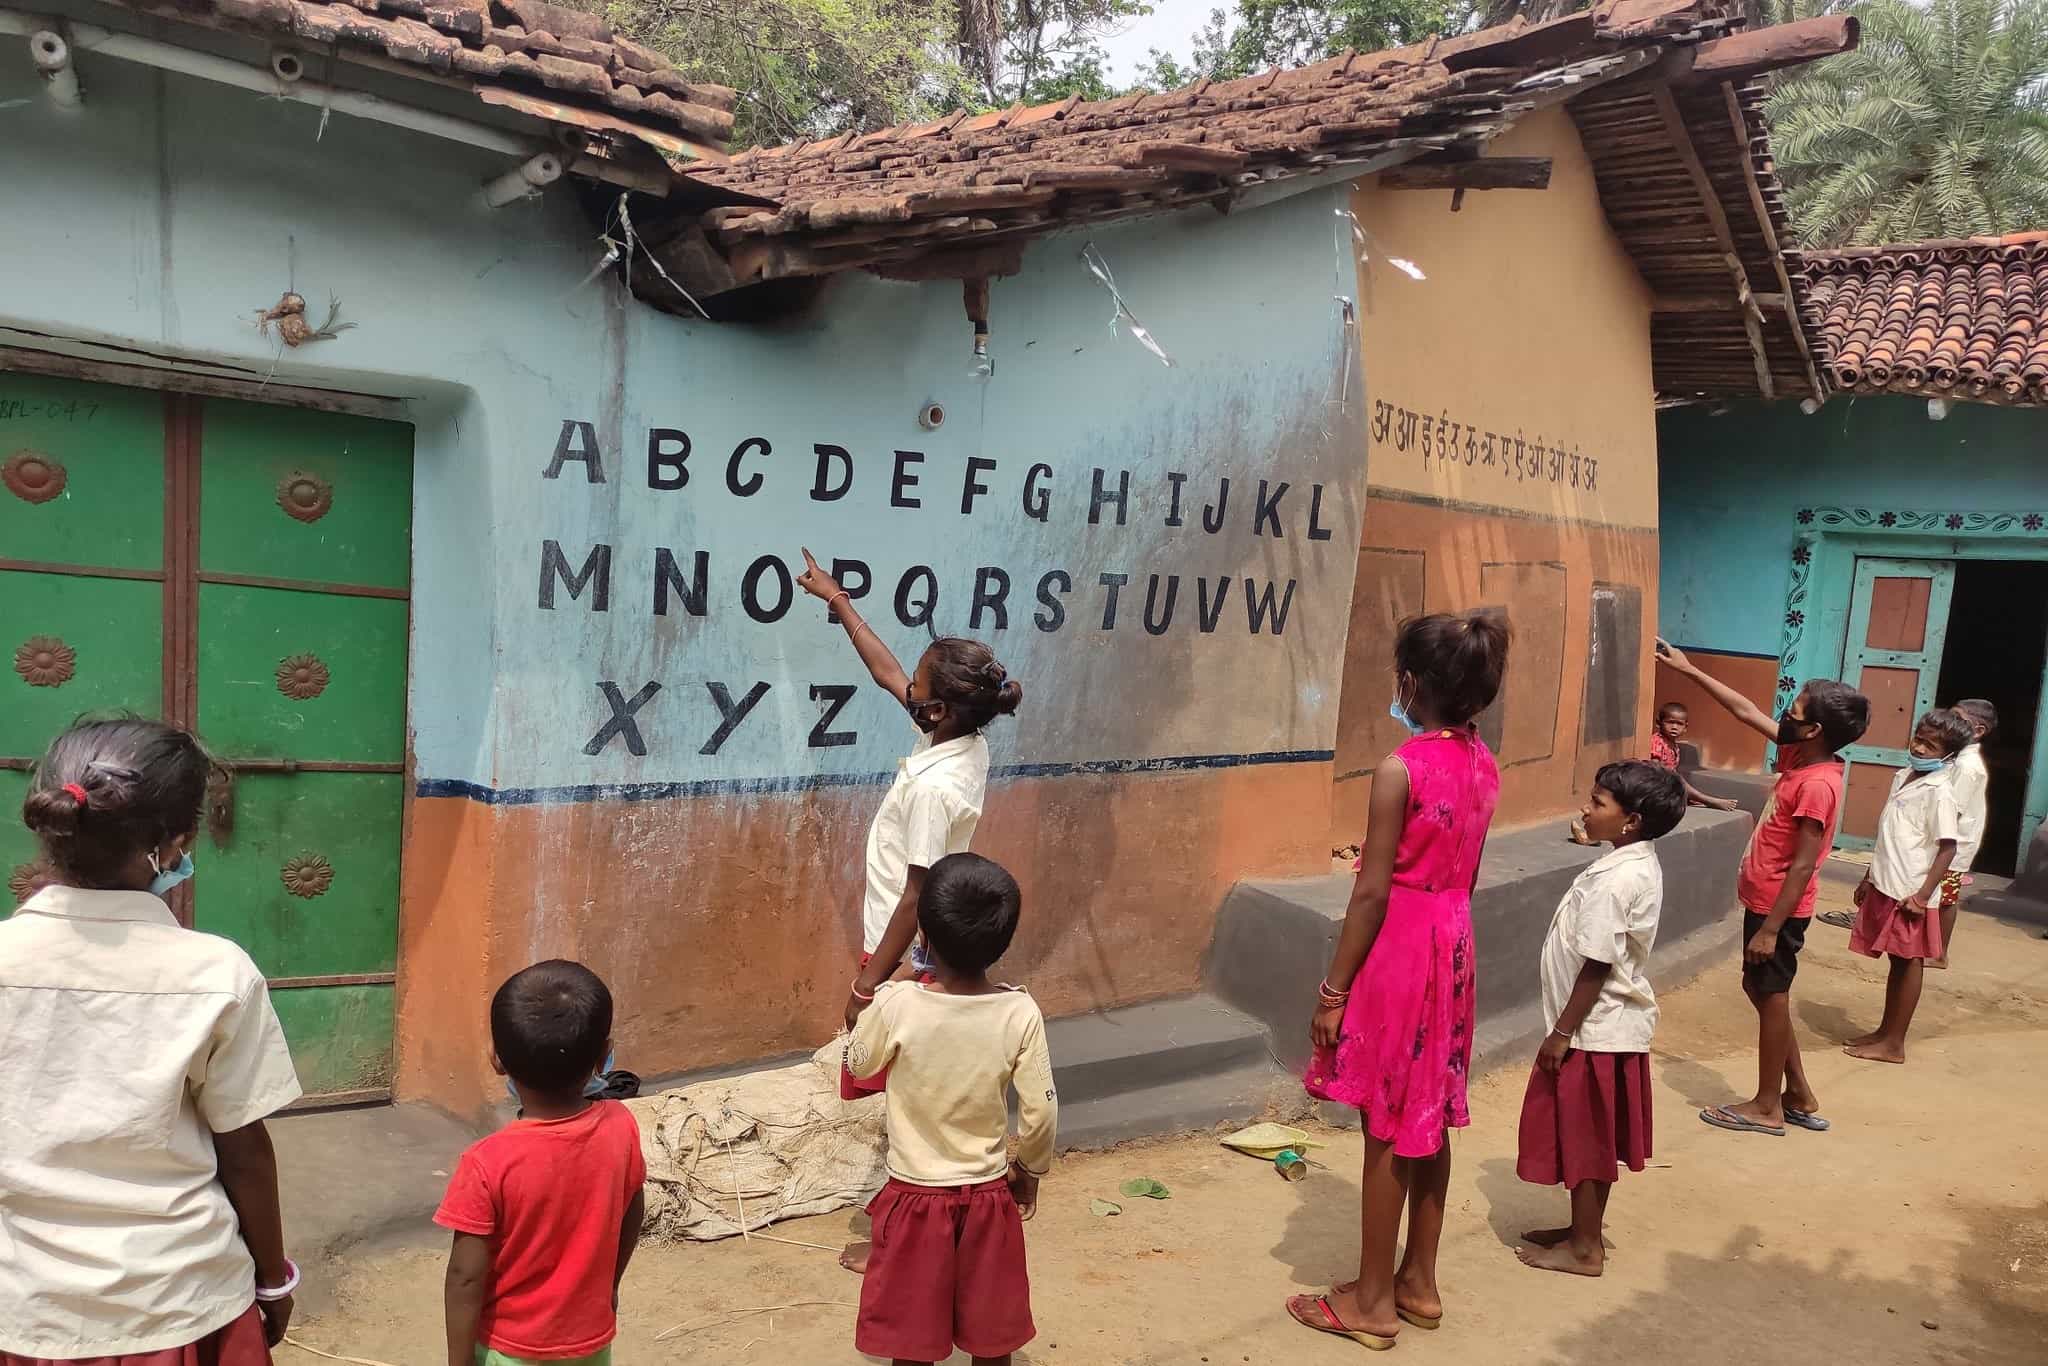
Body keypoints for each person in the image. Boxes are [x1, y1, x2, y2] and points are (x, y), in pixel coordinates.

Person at [0, 718, 303, 1363]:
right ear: (175, 843)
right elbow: (244, 1150)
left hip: (27, 1303)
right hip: (183, 1302)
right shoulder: (219, 973)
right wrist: (272, 1280)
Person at [1289, 611, 1509, 1349]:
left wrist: (1334, 990)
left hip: (1402, 952)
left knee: (1383, 1122)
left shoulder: (1401, 768)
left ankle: (1372, 1303)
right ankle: (1418, 1280)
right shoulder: (1484, 763)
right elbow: (1467, 874)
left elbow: (1372, 893)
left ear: (1411, 682)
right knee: (1429, 1115)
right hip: (1453, 945)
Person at [794, 549, 1023, 1027]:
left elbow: (916, 899)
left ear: (938, 709)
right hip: (904, 951)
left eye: (918, 686)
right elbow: (886, 673)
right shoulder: (962, 739)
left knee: (876, 1073)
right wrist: (837, 599)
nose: (908, 688)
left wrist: (867, 986)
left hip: (898, 953)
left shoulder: (933, 790)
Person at [843, 853, 1055, 1366]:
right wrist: (1028, 1169)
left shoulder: (897, 1005)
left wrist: (867, 1003)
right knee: (992, 1340)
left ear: (925, 939)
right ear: (1001, 941)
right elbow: (1042, 1114)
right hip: (988, 1200)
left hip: (913, 1199)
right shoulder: (1019, 1011)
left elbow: (861, 1059)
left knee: (911, 1345)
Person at [1656, 640, 1869, 1137]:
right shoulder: (1800, 755)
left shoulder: (1817, 783)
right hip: (1766, 902)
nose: (1784, 715)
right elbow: (1745, 709)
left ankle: (1767, 1107)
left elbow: (1803, 864)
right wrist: (1688, 669)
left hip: (1780, 909)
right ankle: (1797, 1092)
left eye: (1794, 711)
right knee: (1761, 989)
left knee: (1770, 995)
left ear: (1814, 729)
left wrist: (1771, 929)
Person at [1516, 761, 1686, 1278]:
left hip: (1596, 1028)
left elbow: (1597, 961)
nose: (1586, 810)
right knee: (1590, 1134)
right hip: (1600, 1025)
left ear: (1630, 820)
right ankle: (1580, 1230)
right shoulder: (1624, 862)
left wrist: (1563, 1030)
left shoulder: (1620, 878)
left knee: (1587, 1138)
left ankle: (1586, 1247)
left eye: (1598, 804)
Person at [437, 961, 646, 1366]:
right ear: (605, 1056)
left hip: (508, 1351)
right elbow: (633, 1208)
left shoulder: (486, 1163)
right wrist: (610, 1287)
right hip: (590, 1342)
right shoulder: (622, 1126)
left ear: (497, 1060)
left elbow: (465, 1275)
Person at [1842, 709, 1972, 1064]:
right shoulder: (1903, 776)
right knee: (1897, 963)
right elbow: (1889, 834)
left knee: (1908, 961)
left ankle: (1894, 1043)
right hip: (1888, 880)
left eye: (1930, 745)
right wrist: (1868, 876)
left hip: (1910, 890)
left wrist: (1923, 895)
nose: (1919, 747)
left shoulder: (1940, 792)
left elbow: (1947, 847)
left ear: (1948, 755)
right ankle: (1885, 1031)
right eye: (1918, 738)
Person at [1930, 699, 1995, 971]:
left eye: (1958, 718)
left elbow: (1952, 808)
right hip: (1949, 838)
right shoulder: (1956, 757)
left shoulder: (1967, 766)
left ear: (1977, 730)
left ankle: (1940, 953)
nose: (1951, 723)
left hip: (1955, 841)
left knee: (1946, 897)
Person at [1647, 702, 1740, 812]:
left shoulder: (1674, 746)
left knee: (1681, 786)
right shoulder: (1657, 741)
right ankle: (1709, 800)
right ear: (1659, 723)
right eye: (1670, 722)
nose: (1674, 727)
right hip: (1656, 783)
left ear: (1685, 727)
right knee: (1680, 783)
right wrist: (1676, 781)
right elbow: (1655, 768)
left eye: (1679, 724)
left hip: (1669, 781)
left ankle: (1701, 799)